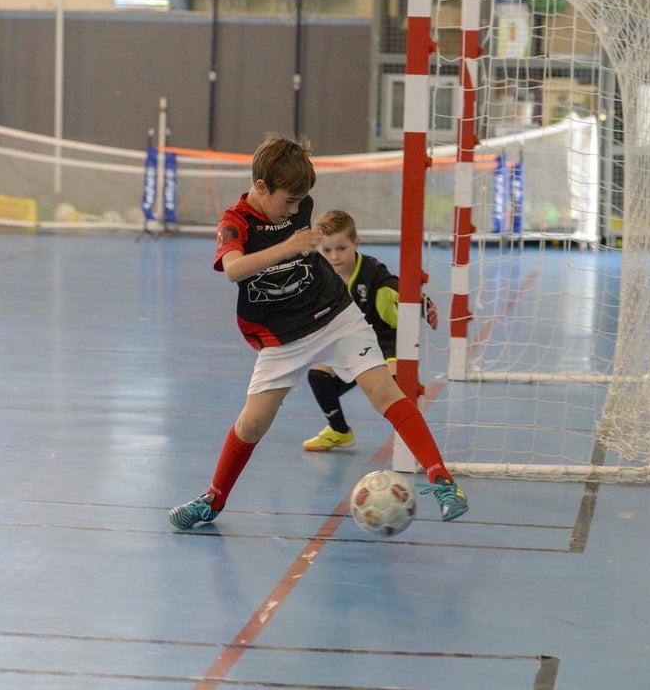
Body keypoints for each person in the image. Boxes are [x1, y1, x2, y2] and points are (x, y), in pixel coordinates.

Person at [168, 136, 468, 530]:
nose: (296, 208)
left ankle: (443, 480)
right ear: (261, 188)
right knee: (253, 423)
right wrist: (289, 245)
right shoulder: (234, 223)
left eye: (299, 202)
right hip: (280, 337)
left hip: (334, 315)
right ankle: (214, 499)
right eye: (289, 201)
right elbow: (233, 270)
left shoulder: (299, 201)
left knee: (384, 391)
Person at [301, 208, 438, 452]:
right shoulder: (321, 276)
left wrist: (423, 304)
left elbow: (397, 287)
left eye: (341, 248)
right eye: (327, 250)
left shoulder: (372, 271)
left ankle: (414, 442)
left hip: (384, 339)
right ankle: (339, 430)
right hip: (350, 343)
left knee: (396, 385)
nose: (334, 256)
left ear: (356, 243)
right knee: (318, 376)